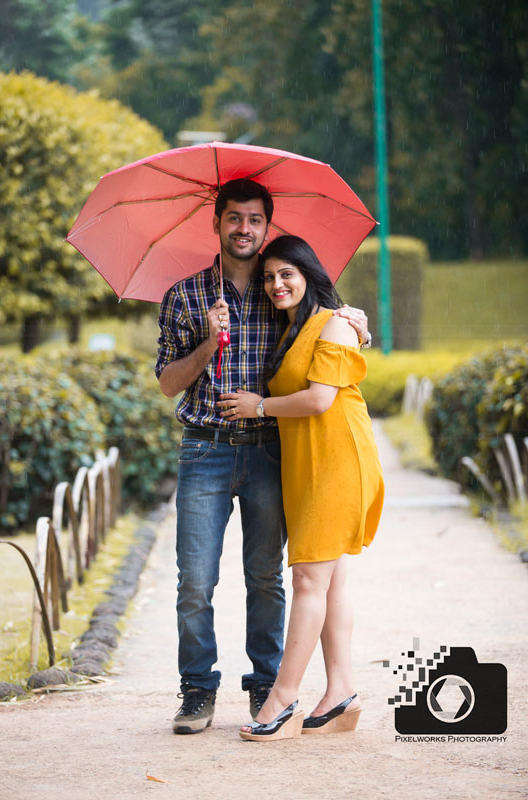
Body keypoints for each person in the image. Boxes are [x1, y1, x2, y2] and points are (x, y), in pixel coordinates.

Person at [156, 180, 370, 735]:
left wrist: (357, 324)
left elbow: (328, 329)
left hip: (273, 452)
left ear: (266, 227)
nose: (243, 228)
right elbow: (165, 383)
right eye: (234, 218)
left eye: (254, 219)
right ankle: (198, 690)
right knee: (195, 582)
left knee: (268, 579)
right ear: (218, 223)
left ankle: (266, 687)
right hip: (204, 450)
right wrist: (208, 342)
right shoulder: (185, 296)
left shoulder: (283, 291)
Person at [216, 235, 384, 741]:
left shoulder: (334, 322)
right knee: (332, 582)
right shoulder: (292, 327)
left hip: (337, 460)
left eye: (287, 273)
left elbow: (318, 400)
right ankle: (341, 693)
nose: (275, 284)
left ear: (310, 274)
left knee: (310, 580)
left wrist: (258, 406)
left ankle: (282, 700)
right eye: (268, 277)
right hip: (309, 463)